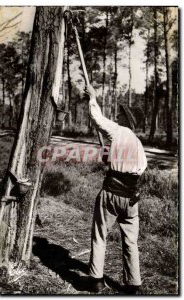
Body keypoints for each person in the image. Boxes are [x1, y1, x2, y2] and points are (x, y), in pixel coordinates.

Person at [80, 85, 147, 294]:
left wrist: (92, 97)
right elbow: (138, 170)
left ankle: (96, 281)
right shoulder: (138, 144)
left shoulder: (118, 131)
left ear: (128, 120)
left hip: (111, 194)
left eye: (121, 114)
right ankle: (134, 284)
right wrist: (110, 156)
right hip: (131, 199)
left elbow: (98, 119)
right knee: (131, 241)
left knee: (100, 235)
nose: (118, 115)